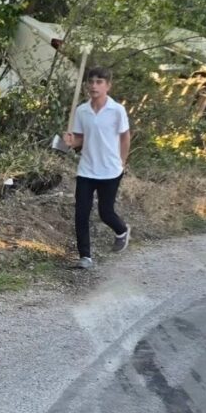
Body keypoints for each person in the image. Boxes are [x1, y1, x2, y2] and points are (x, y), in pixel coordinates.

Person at [63, 66, 131, 269]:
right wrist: (71, 142)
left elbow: (125, 137)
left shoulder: (117, 110)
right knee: (81, 213)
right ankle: (85, 256)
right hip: (87, 169)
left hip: (110, 170)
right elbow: (80, 139)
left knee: (105, 212)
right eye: (91, 82)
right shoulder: (81, 111)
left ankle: (122, 230)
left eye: (99, 82)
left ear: (108, 86)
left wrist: (122, 161)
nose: (94, 86)